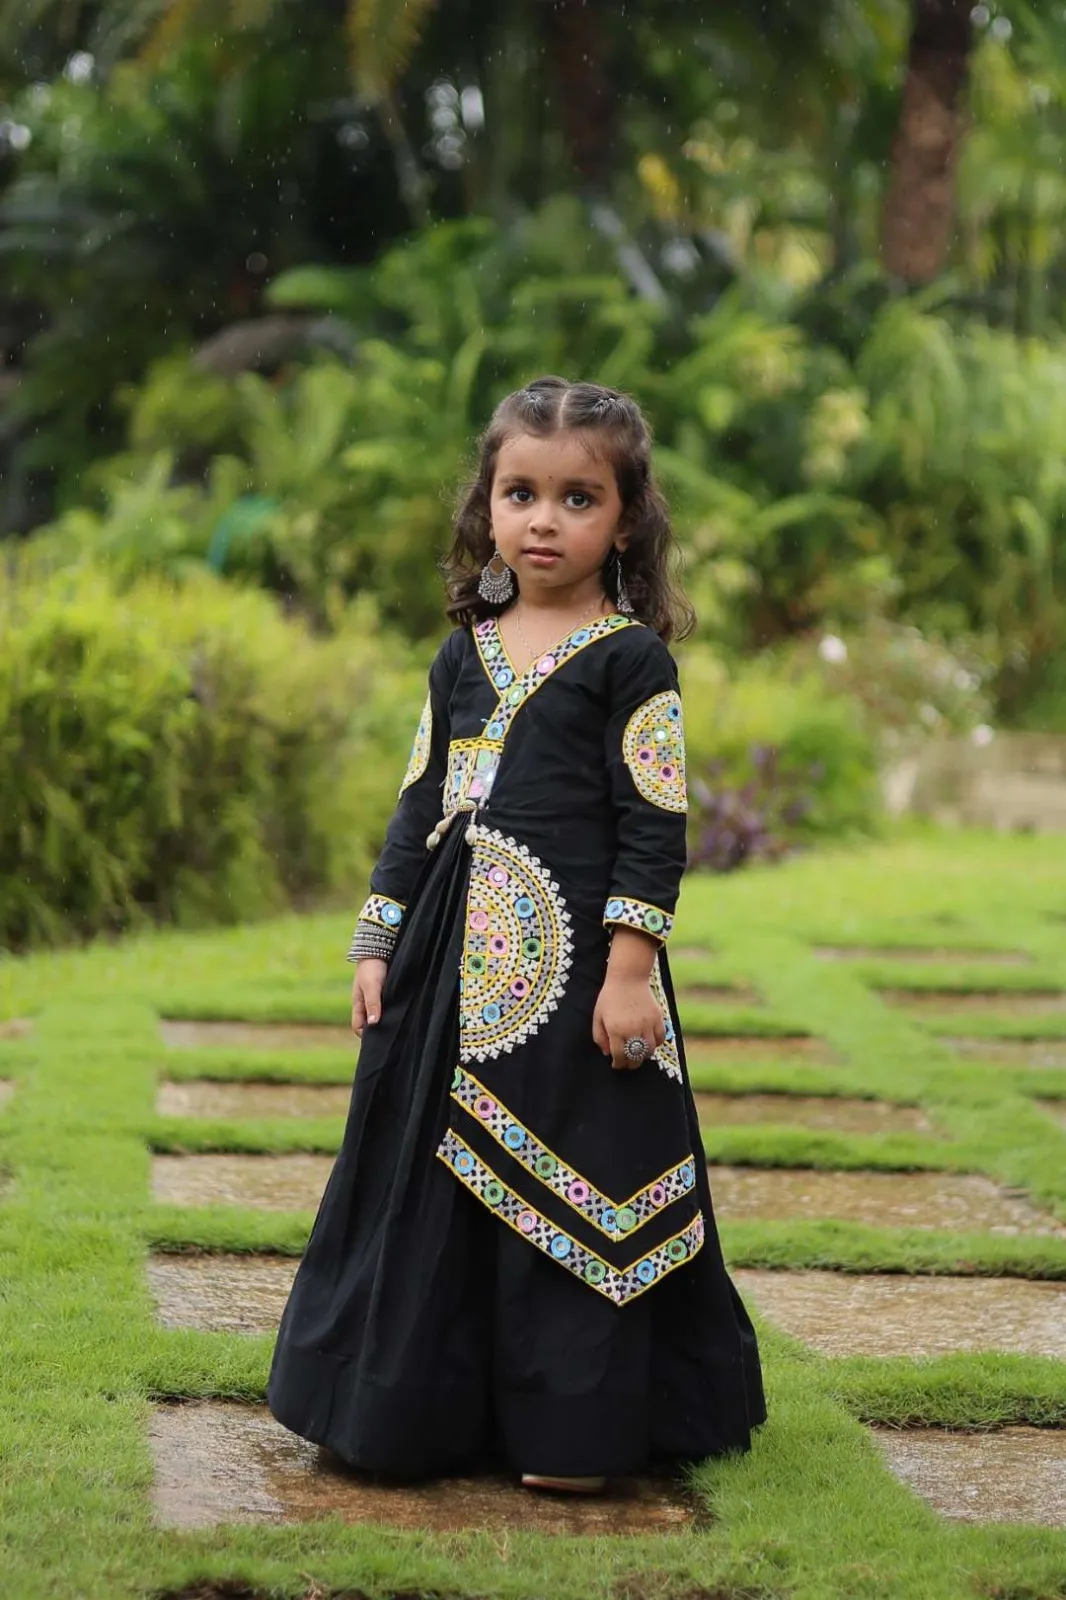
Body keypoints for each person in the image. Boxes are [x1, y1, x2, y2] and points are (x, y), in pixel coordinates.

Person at [267, 375, 765, 1492]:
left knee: (578, 1169)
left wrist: (629, 975)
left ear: (625, 522)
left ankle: (574, 1431)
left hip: (579, 969)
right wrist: (377, 939)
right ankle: (406, 1414)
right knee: (426, 1178)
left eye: (578, 499)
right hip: (448, 970)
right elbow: (418, 806)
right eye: (520, 493)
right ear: (486, 506)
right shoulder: (462, 654)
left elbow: (655, 827)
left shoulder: (631, 660)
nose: (544, 520)